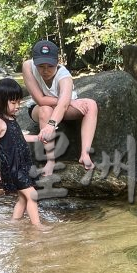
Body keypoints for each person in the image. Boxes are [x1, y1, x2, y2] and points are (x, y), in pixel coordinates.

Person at [21, 39, 98, 174]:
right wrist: (66, 100)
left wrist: (64, 103)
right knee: (46, 109)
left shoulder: (64, 76)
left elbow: (62, 106)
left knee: (91, 105)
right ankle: (50, 161)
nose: (45, 71)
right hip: (39, 107)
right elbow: (40, 99)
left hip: (63, 108)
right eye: (41, 66)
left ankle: (85, 154)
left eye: (50, 66)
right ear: (34, 62)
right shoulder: (28, 66)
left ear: (57, 62)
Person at [0, 78, 43, 227]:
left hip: (22, 165)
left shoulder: (11, 118)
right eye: (13, 103)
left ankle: (14, 224)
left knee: (23, 198)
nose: (17, 106)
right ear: (0, 101)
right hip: (13, 167)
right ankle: (38, 227)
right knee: (32, 195)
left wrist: (37, 138)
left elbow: (19, 137)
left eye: (19, 102)